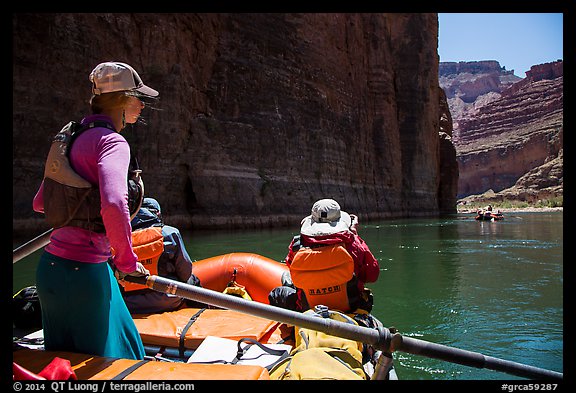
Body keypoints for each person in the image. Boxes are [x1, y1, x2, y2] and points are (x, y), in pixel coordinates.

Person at [32, 61, 159, 360]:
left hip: (49, 273)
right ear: (124, 100)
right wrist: (127, 263)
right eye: (138, 100)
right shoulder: (113, 142)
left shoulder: (70, 139)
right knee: (112, 367)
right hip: (85, 276)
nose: (141, 107)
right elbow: (115, 204)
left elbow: (41, 203)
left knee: (63, 367)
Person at [269, 198, 380, 313]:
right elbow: (372, 275)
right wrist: (354, 235)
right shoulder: (353, 244)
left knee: (277, 293)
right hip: (350, 308)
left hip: (307, 308)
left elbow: (292, 268)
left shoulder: (297, 245)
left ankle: (293, 326)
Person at [122, 197, 202, 314]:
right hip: (168, 300)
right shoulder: (170, 233)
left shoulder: (121, 239)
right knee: (193, 280)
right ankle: (201, 314)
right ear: (157, 213)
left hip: (129, 304)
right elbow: (185, 273)